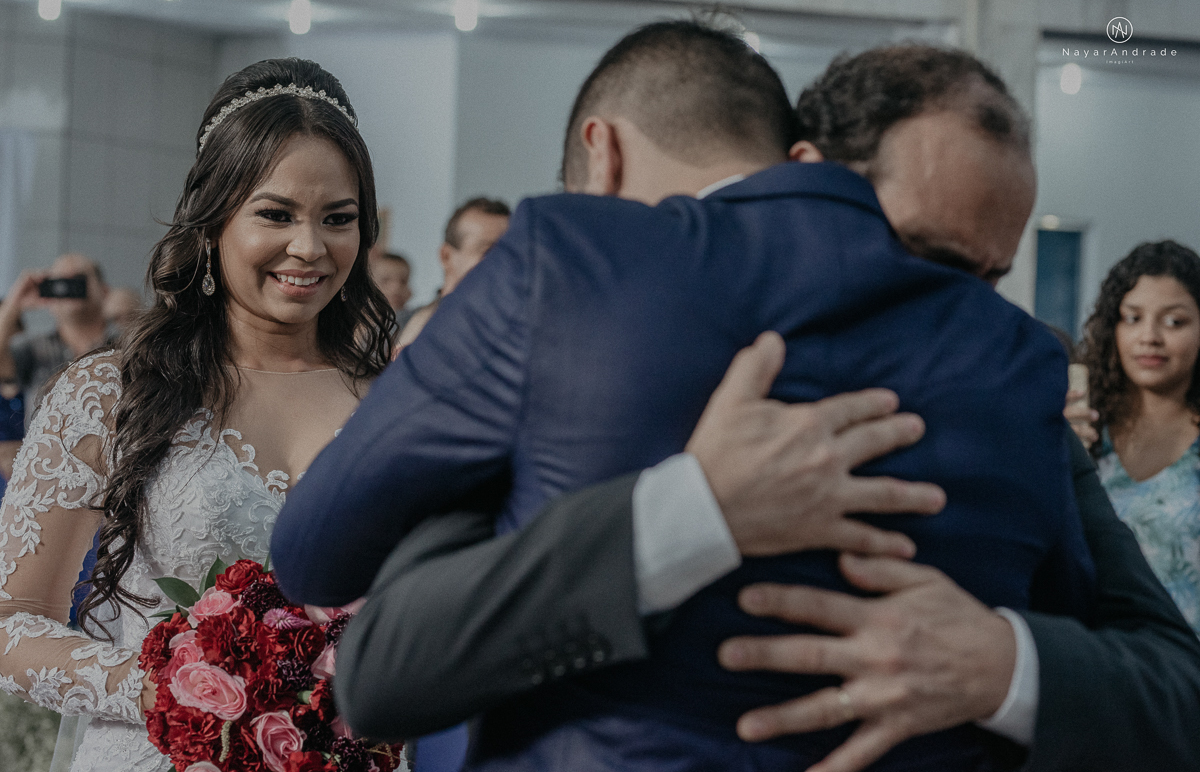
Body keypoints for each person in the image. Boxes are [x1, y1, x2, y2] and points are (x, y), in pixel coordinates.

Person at [326, 42, 1200, 772]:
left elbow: (1175, 685)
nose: (958, 312)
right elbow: (391, 651)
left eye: (989, 281)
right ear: (811, 189)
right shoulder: (589, 350)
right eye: (924, 257)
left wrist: (1006, 665)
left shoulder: (1011, 380)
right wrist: (688, 510)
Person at [0, 58, 398, 772]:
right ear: (213, 221)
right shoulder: (109, 392)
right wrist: (165, 686)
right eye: (275, 214)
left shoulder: (402, 400)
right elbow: (10, 622)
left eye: (337, 218)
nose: (310, 247)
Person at [1075, 240, 1200, 635]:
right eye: (1132, 318)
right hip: (1101, 667)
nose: (1149, 337)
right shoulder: (1082, 428)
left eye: (1174, 322)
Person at [0, 255, 117, 477]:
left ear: (104, 291)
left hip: (115, 481)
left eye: (79, 279)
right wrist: (15, 302)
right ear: (49, 293)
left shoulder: (128, 345)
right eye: (60, 282)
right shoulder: (33, 349)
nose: (68, 287)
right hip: (48, 478)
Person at [395, 197, 509, 347]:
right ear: (446, 256)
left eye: (509, 253)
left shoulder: (514, 332)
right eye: (488, 251)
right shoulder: (393, 329)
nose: (504, 263)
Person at [371, 252, 414, 326]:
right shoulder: (360, 322)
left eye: (403, 282)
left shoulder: (412, 320)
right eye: (385, 280)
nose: (396, 288)